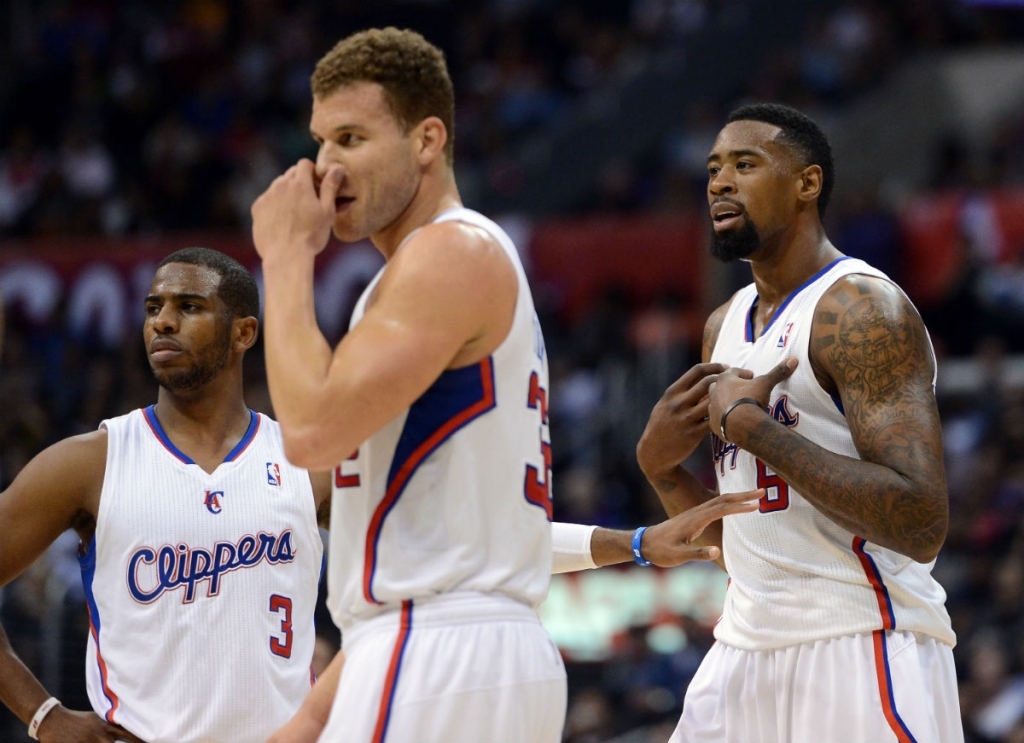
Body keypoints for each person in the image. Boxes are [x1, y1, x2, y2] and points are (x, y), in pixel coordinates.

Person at [251, 26, 766, 743]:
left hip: (437, 651)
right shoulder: (439, 269)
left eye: (351, 138)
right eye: (321, 141)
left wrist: (282, 258)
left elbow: (308, 434)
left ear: (427, 140)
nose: (325, 167)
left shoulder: (447, 254)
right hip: (467, 649)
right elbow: (469, 532)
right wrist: (309, 720)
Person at [636, 102, 964, 742]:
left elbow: (921, 522)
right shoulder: (722, 324)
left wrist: (756, 431)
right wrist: (660, 467)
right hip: (742, 646)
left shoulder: (860, 309)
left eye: (744, 164)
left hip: (857, 641)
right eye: (712, 169)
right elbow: (747, 543)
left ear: (807, 183)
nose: (719, 183)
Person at [0, 247, 331, 743]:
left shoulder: (309, 463)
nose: (164, 323)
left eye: (190, 306)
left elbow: (403, 588)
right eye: (154, 308)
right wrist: (42, 713)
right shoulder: (90, 463)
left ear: (244, 333)